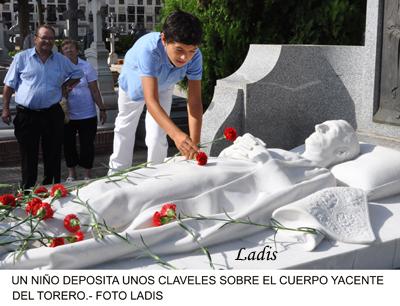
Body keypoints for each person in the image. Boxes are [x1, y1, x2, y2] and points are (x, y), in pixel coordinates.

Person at [0, 120, 364, 269]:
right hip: (203, 170)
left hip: (210, 189)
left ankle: (45, 233)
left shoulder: (320, 175)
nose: (318, 126)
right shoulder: (293, 152)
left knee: (125, 201)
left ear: (344, 151)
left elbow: (281, 194)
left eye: (330, 129)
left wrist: (259, 155)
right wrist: (242, 148)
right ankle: (31, 221)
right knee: (111, 186)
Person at [108, 10, 203, 174]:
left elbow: (194, 101)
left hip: (164, 85)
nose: (185, 58)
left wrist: (194, 145)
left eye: (191, 51)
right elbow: (151, 101)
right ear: (164, 39)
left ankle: (156, 174)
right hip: (134, 85)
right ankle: (116, 174)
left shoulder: (195, 56)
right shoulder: (149, 50)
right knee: (125, 127)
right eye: (179, 50)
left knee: (158, 134)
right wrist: (178, 136)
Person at [1, 25, 83, 189]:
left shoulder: (60, 59)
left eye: (51, 39)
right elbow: (9, 85)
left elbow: (78, 74)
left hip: (52, 114)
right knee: (28, 155)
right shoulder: (22, 58)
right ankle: (27, 191)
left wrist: (65, 86)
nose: (47, 42)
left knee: (52, 155)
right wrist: (5, 108)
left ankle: (52, 190)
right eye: (44, 38)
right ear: (35, 39)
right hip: (27, 115)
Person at [61, 39, 107, 182]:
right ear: (62, 52)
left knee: (87, 145)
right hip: (68, 115)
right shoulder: (61, 68)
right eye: (65, 48)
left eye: (71, 47)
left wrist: (102, 108)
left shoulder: (86, 67)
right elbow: (57, 92)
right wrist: (65, 91)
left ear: (77, 50)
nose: (69, 50)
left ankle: (87, 174)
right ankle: (72, 174)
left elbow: (94, 89)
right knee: (69, 145)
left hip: (87, 114)